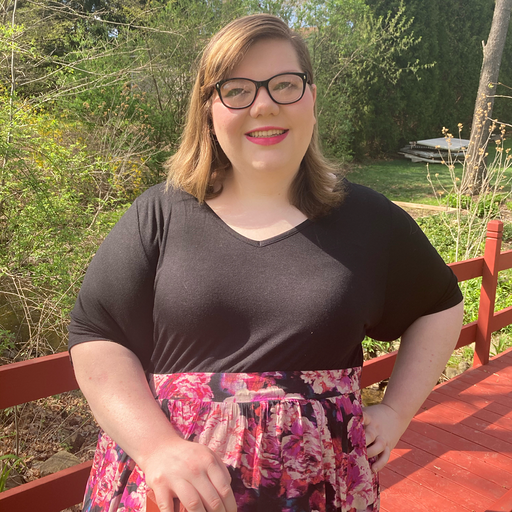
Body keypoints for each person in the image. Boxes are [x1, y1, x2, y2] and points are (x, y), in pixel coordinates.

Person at [68, 13, 464, 512]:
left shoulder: (370, 219)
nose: (263, 105)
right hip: (168, 495)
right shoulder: (160, 214)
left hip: (319, 493)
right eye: (237, 90)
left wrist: (396, 411)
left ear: (311, 97)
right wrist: (156, 446)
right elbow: (96, 335)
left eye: (284, 84)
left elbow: (440, 306)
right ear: (209, 109)